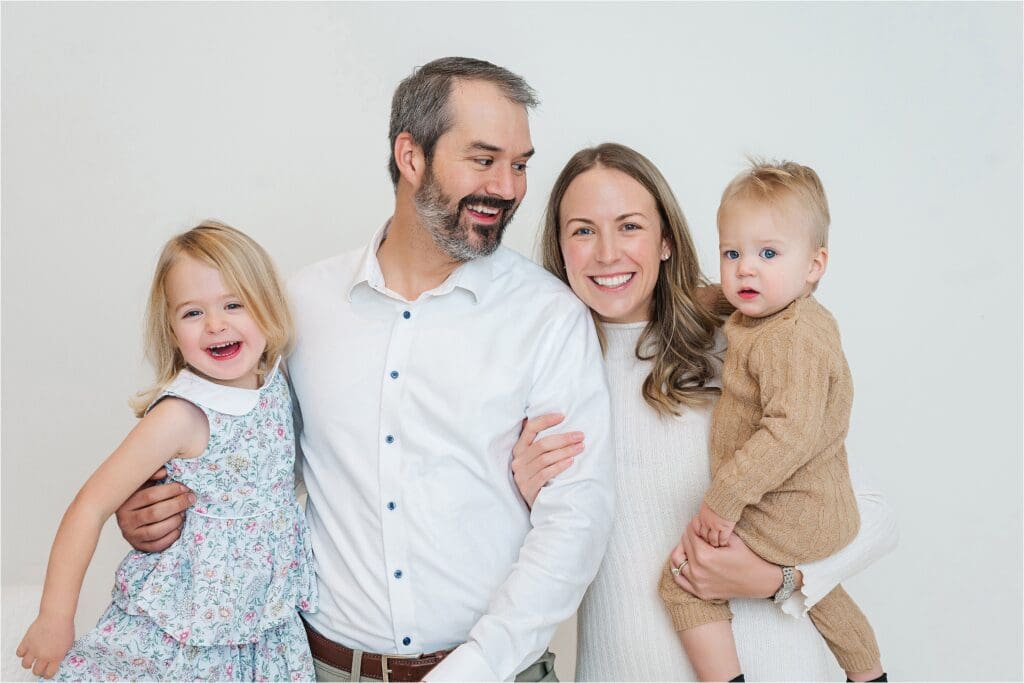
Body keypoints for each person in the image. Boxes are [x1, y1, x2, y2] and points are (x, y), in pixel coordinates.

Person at [114, 57, 616, 682]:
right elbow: (251, 461)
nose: (509, 187)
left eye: (520, 165)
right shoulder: (302, 304)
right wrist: (155, 508)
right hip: (321, 669)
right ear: (411, 156)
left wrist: (476, 668)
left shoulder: (549, 316)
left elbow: (576, 517)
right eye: (484, 159)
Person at [513, 143, 898, 681]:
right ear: (560, 247)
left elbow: (874, 515)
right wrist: (525, 504)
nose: (606, 253)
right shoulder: (542, 378)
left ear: (666, 240)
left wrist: (778, 580)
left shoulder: (738, 340)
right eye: (582, 230)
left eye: (629, 226)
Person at [16, 221, 317, 681]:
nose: (215, 324)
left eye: (233, 304)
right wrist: (55, 616)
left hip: (265, 623)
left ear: (267, 306)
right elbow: (90, 506)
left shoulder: (275, 380)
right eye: (192, 312)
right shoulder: (182, 415)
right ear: (172, 330)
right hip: (189, 628)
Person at [657, 160, 884, 681]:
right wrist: (680, 299)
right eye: (731, 253)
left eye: (767, 254)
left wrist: (723, 500)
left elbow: (790, 432)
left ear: (814, 265)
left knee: (684, 578)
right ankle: (871, 675)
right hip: (819, 506)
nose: (745, 270)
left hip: (786, 508)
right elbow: (726, 300)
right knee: (822, 595)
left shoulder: (790, 339)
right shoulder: (782, 310)